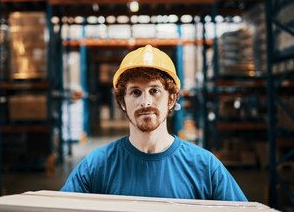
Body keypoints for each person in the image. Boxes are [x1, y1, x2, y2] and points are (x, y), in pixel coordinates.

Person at [61, 45, 247, 201]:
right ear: (121, 102)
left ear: (172, 99)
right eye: (135, 92)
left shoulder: (205, 166)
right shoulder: (97, 165)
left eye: (155, 91)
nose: (145, 102)